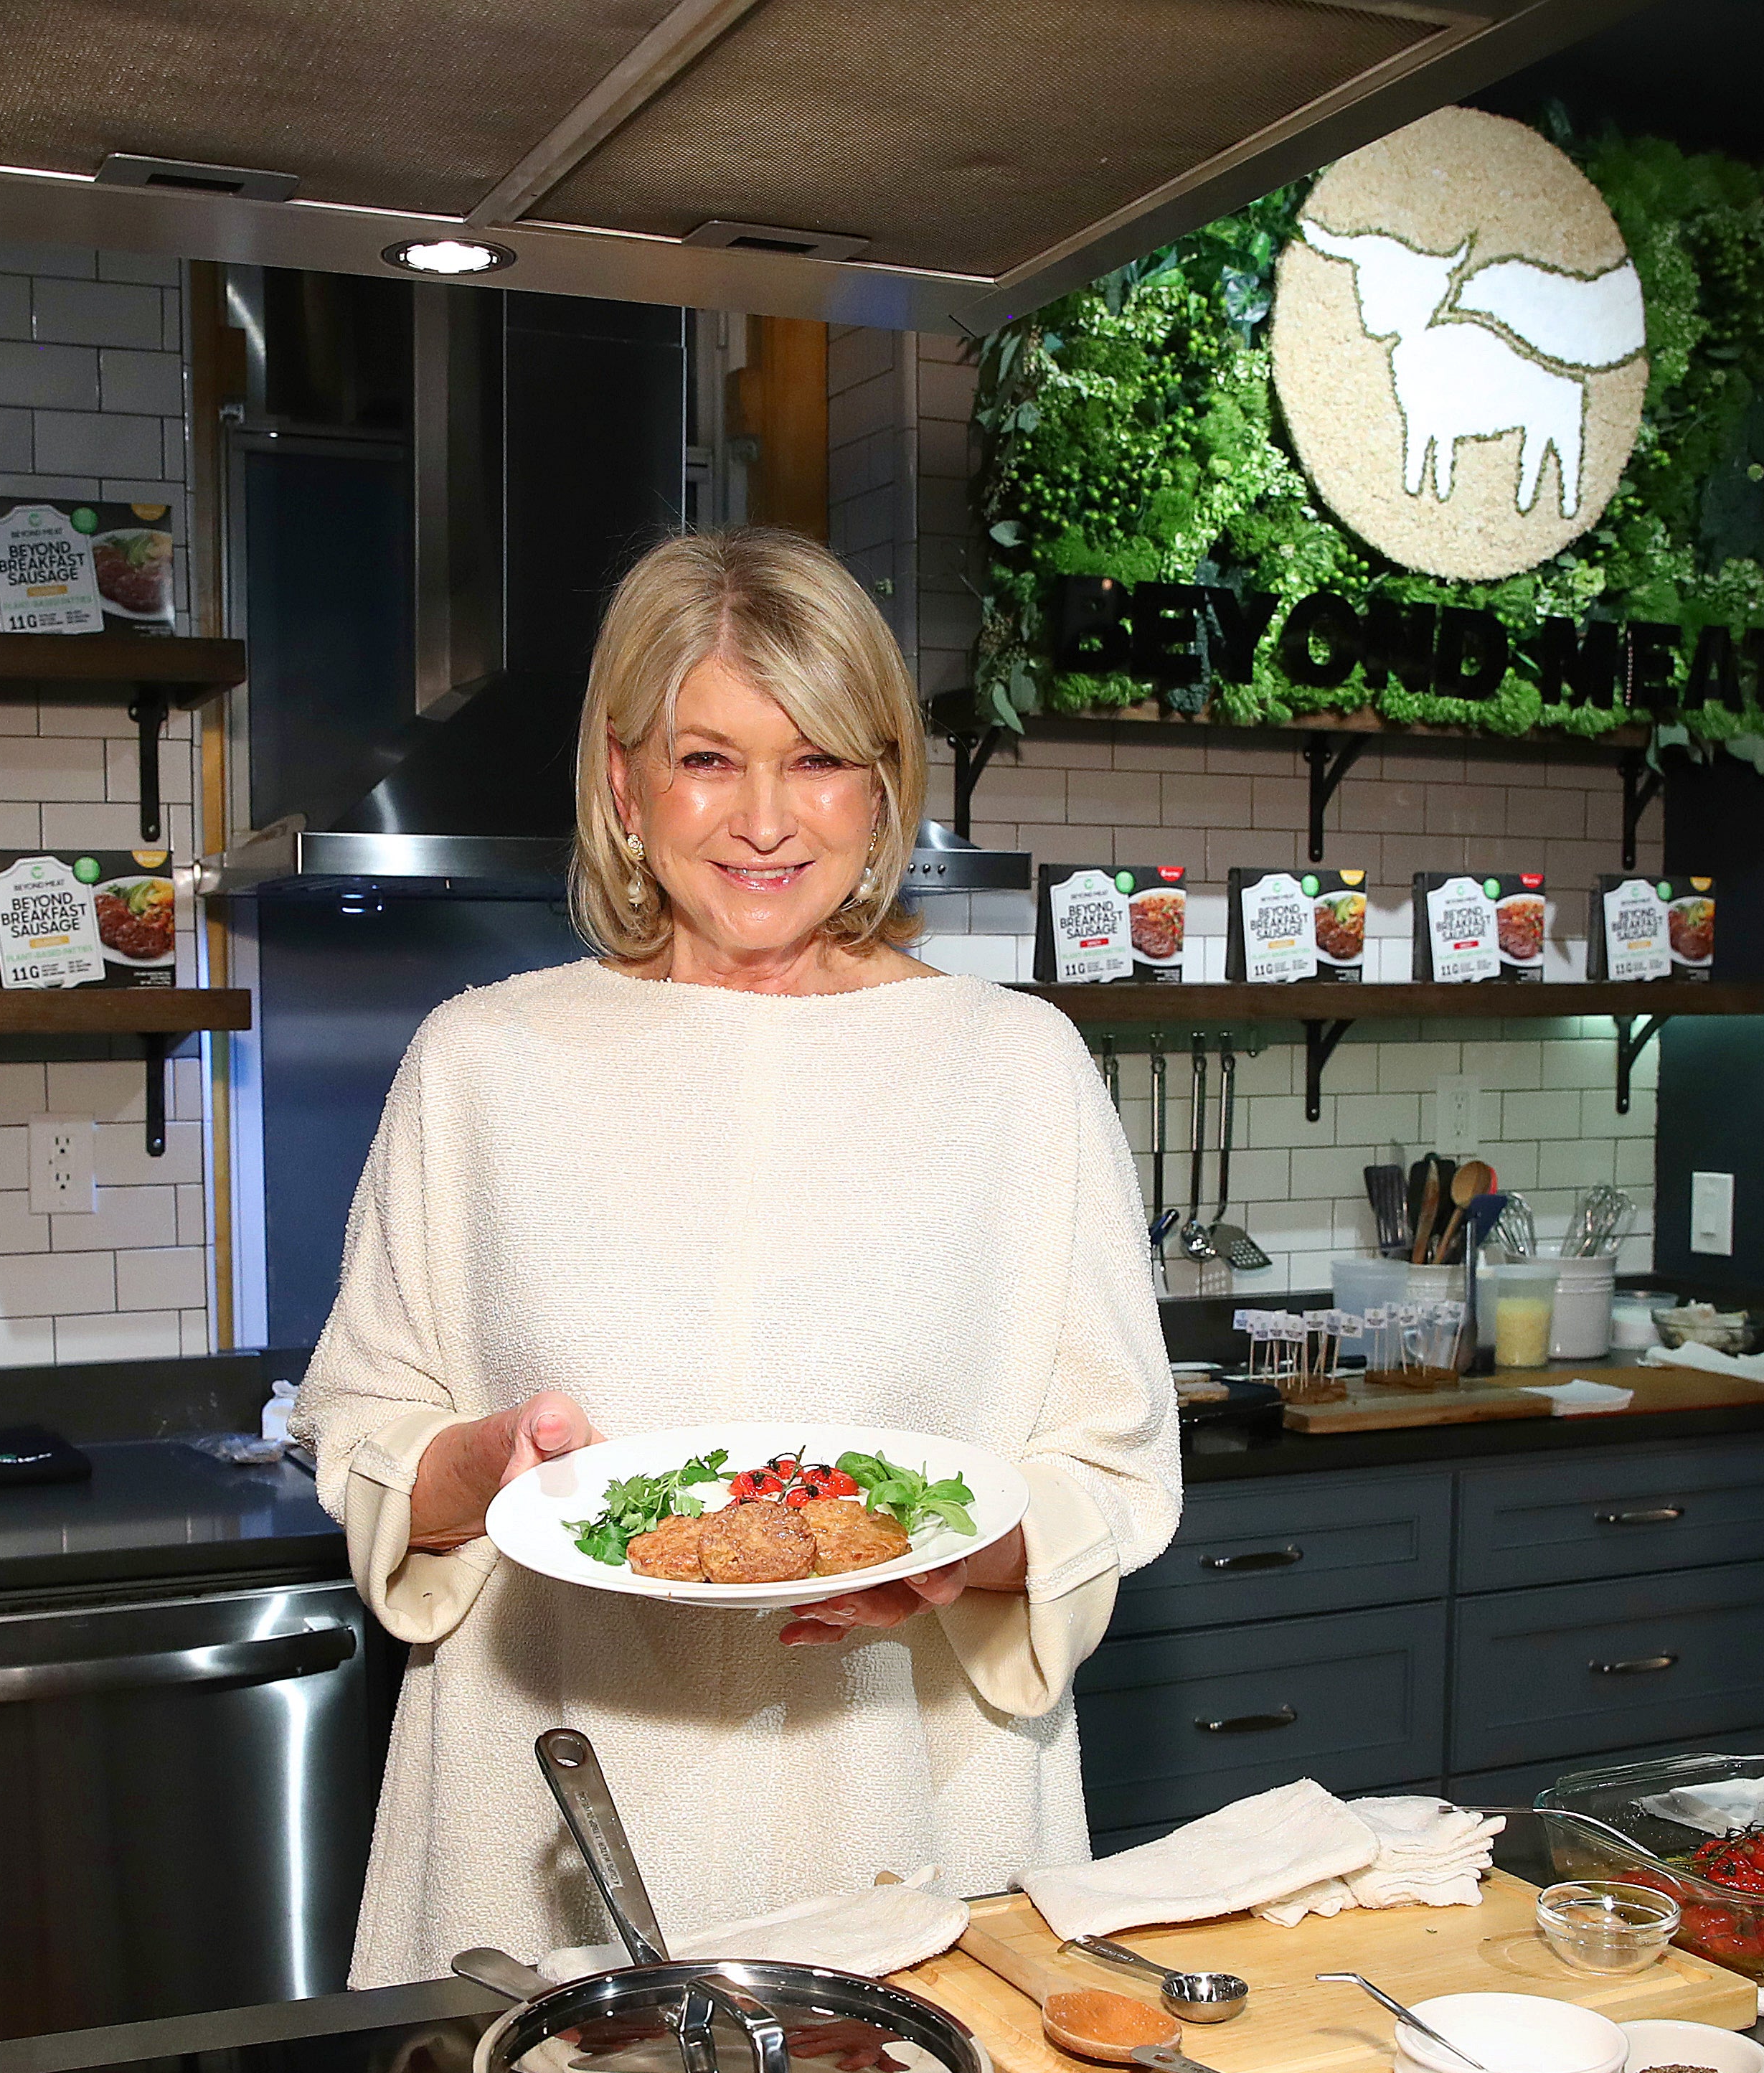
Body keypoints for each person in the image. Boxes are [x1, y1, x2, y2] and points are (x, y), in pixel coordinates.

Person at [293, 526, 1179, 1985]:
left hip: (900, 1807)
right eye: (709, 758)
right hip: (546, 1795)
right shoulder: (482, 1063)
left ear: (882, 783)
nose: (766, 819)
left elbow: (1110, 1470)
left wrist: (962, 1554)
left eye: (818, 757)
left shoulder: (1015, 1069)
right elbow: (368, 1435)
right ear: (625, 779)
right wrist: (488, 1462)